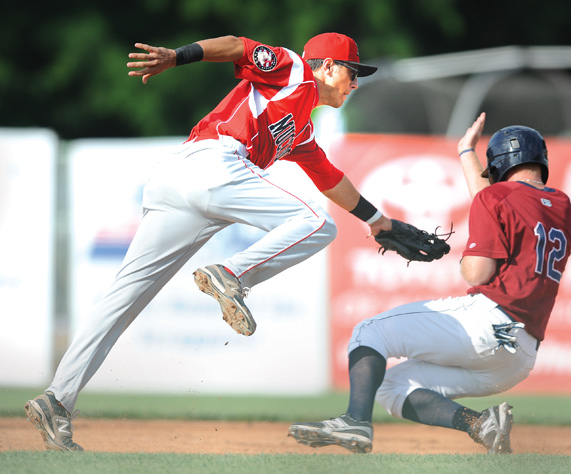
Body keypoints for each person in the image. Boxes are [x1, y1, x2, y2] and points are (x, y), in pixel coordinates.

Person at [24, 32, 392, 452]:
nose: (355, 82)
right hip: (213, 164)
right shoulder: (294, 69)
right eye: (352, 71)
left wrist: (379, 221)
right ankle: (232, 274)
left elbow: (329, 178)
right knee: (317, 224)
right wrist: (175, 57)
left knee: (123, 298)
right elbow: (238, 45)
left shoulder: (301, 127)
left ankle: (57, 399)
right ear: (326, 65)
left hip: (177, 180)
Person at [289, 112, 571, 454]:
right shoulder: (562, 206)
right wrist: (466, 153)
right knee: (392, 386)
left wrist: (463, 256)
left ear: (499, 165)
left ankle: (354, 420)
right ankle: (480, 424)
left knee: (368, 332)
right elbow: (499, 201)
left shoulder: (493, 199)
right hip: (519, 358)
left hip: (487, 323)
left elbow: (477, 272)